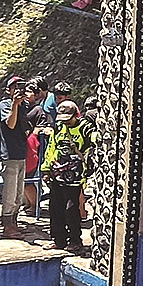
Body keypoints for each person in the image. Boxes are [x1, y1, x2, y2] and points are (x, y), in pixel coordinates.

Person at [40, 103, 93, 251]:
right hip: (57, 173)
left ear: (76, 114)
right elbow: (51, 148)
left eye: (68, 119)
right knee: (55, 207)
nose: (65, 122)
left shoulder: (85, 128)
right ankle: (59, 240)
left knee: (71, 208)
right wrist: (45, 168)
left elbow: (93, 146)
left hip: (75, 177)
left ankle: (75, 240)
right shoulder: (58, 128)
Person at [0, 77, 39, 238]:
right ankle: (7, 224)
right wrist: (14, 104)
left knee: (19, 192)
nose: (19, 90)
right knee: (10, 192)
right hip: (10, 154)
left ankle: (14, 221)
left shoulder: (25, 106)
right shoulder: (5, 104)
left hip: (21, 153)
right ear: (9, 90)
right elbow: (10, 124)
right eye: (15, 87)